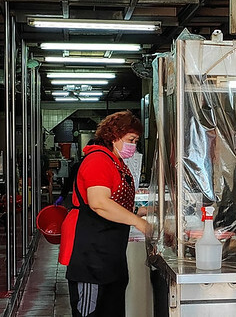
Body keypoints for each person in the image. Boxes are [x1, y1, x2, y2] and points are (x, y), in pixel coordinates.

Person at [59, 111, 152, 317]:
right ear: (113, 135)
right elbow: (99, 203)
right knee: (91, 311)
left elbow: (116, 202)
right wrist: (139, 222)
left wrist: (143, 211)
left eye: (136, 141)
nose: (133, 146)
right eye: (130, 140)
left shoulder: (116, 162)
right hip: (92, 257)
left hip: (111, 255)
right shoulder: (98, 160)